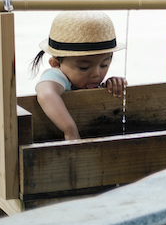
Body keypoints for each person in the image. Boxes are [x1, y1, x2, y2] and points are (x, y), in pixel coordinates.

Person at [30, 11, 128, 140]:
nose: (96, 74)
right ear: (56, 64)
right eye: (84, 67)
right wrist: (70, 130)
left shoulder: (90, 79)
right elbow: (46, 94)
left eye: (104, 65)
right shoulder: (58, 76)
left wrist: (111, 84)